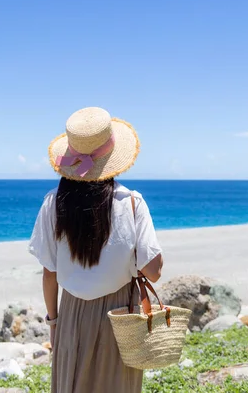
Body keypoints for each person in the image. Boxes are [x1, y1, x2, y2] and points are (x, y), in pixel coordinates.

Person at [28, 107, 163, 393]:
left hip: (71, 312)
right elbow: (154, 272)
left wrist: (54, 321)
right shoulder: (132, 202)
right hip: (121, 314)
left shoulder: (53, 203)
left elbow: (49, 273)